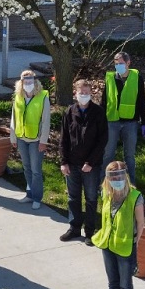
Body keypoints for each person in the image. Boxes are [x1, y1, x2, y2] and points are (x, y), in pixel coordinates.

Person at [91, 161, 144, 289]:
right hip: (108, 245)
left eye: (120, 176)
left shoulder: (135, 196)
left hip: (125, 247)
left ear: (125, 176)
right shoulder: (106, 194)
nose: (117, 180)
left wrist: (134, 244)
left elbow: (140, 224)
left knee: (125, 286)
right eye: (113, 177)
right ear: (108, 179)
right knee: (112, 282)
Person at [59, 78, 108, 245]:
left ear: (91, 93)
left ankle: (89, 231)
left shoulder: (98, 112)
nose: (84, 95)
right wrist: (63, 161)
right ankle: (74, 227)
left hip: (91, 166)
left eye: (87, 92)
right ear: (76, 93)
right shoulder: (69, 112)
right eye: (81, 92)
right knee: (73, 197)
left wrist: (90, 162)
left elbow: (102, 140)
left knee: (91, 198)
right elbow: (64, 138)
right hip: (72, 163)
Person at [101, 52, 145, 184]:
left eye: (121, 63)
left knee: (129, 156)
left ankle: (130, 185)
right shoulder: (110, 78)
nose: (118, 66)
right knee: (108, 154)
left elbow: (141, 101)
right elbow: (104, 101)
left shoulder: (137, 78)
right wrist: (100, 121)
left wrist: (144, 122)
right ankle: (103, 184)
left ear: (128, 63)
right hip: (112, 121)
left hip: (130, 122)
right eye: (116, 64)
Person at [10, 69, 51, 210]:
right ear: (21, 82)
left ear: (35, 81)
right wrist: (13, 137)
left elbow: (46, 120)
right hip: (21, 138)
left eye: (30, 80)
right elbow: (14, 118)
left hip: (36, 140)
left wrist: (43, 141)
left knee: (36, 170)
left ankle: (37, 197)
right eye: (25, 80)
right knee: (26, 168)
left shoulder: (43, 96)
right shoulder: (18, 96)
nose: (28, 83)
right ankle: (30, 194)